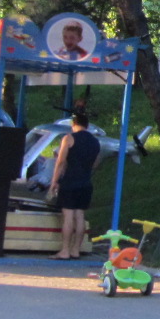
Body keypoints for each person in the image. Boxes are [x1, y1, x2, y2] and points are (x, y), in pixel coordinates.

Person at [48, 110, 100, 258]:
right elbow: (95, 163)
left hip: (70, 182)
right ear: (87, 125)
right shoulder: (95, 141)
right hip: (86, 183)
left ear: (73, 124)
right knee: (80, 216)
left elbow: (61, 161)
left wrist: (54, 181)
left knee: (68, 216)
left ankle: (65, 250)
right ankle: (76, 250)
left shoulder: (69, 138)